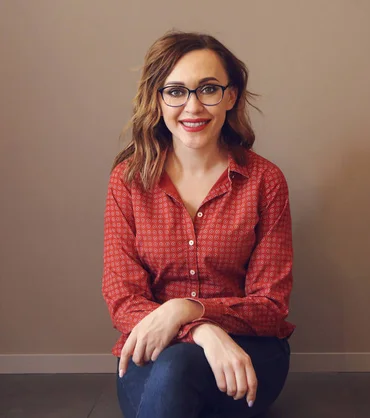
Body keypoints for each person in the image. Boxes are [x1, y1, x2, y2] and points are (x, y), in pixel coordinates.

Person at [101, 31, 295, 418]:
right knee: (174, 369)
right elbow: (123, 300)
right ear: (158, 99)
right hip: (154, 351)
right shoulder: (128, 181)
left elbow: (271, 306)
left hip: (246, 353)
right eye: (175, 91)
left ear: (231, 96)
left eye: (208, 89)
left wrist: (186, 308)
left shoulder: (264, 181)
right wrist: (198, 326)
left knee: (178, 373)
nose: (192, 107)